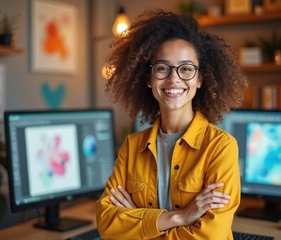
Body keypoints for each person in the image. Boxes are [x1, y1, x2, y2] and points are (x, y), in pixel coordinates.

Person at [96, 9, 248, 239]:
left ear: (199, 80)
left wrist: (140, 223)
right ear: (149, 79)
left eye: (186, 68)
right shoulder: (131, 147)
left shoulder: (221, 147)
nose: (174, 78)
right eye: (162, 68)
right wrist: (180, 217)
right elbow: (107, 223)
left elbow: (211, 236)